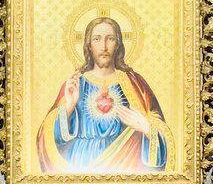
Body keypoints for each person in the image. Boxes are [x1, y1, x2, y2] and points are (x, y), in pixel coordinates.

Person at [37, 17, 170, 174]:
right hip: (81, 164)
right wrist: (69, 107)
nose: (104, 46)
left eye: (110, 39)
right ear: (89, 45)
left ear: (118, 45)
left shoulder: (135, 84)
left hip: (124, 165)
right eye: (97, 39)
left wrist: (146, 127)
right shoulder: (75, 84)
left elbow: (160, 129)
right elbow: (46, 139)